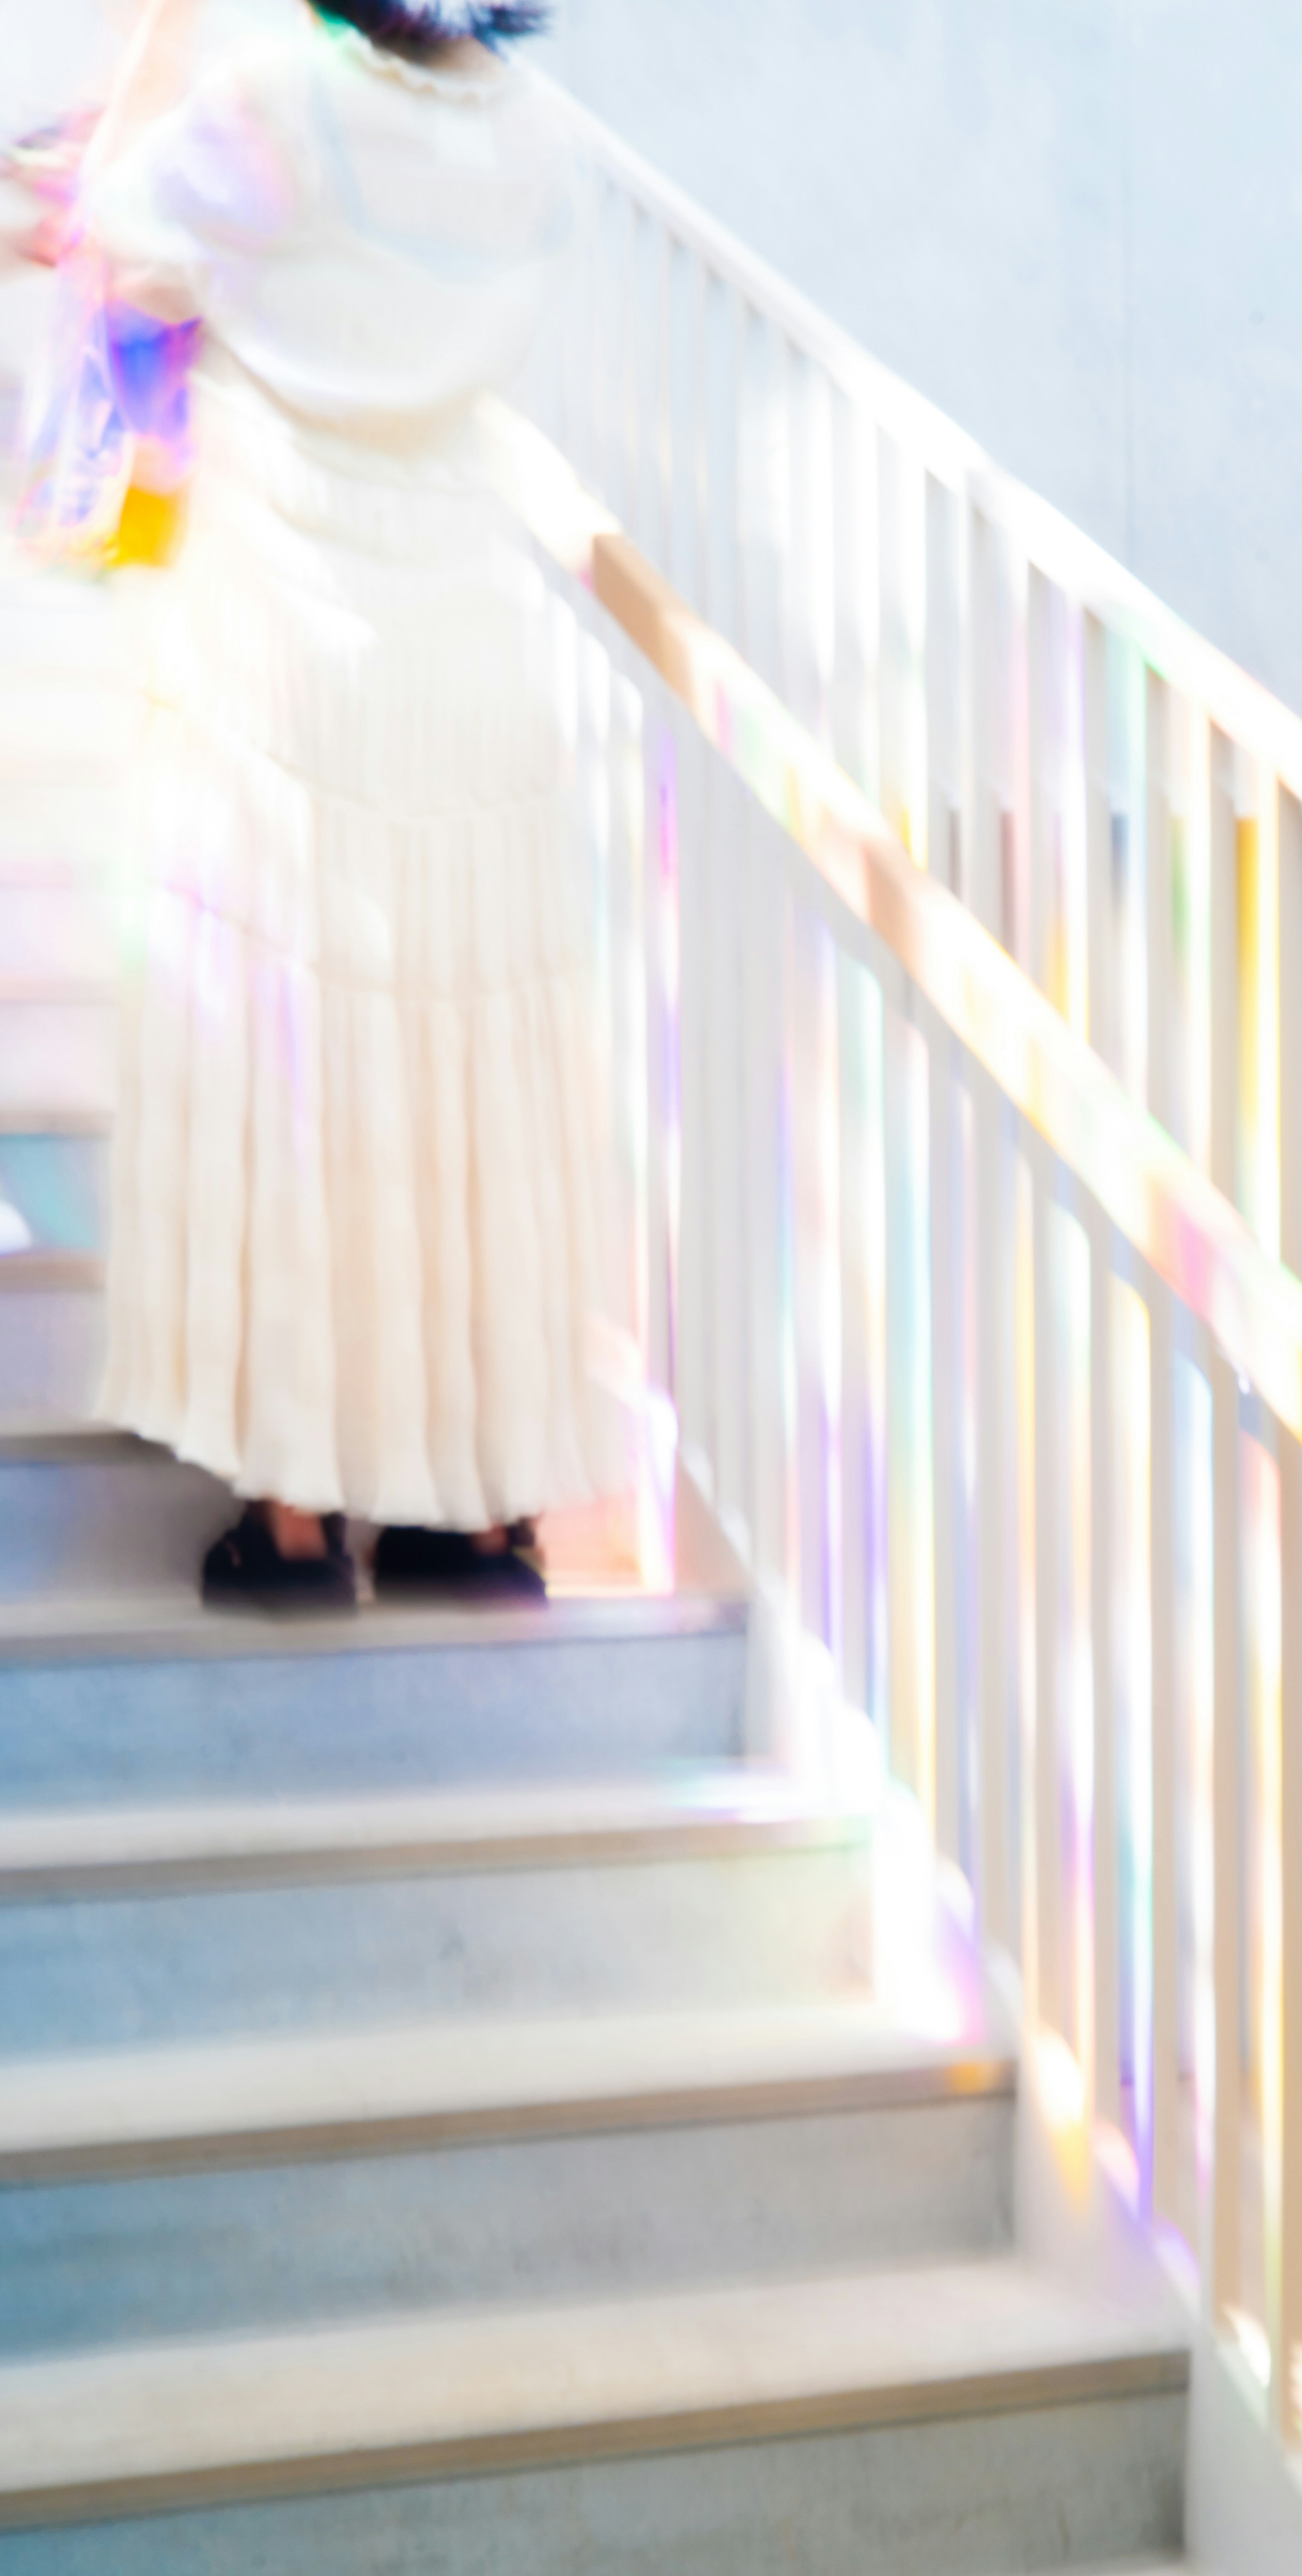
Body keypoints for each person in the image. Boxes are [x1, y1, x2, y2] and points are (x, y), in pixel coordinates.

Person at [64, 0, 621, 1606]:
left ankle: (301, 1508)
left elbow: (121, 241)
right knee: (458, 1071)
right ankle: (471, 1503)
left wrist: (157, 38)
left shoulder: (274, 102)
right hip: (461, 634)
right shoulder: (538, 144)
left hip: (284, 614)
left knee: (293, 1060)